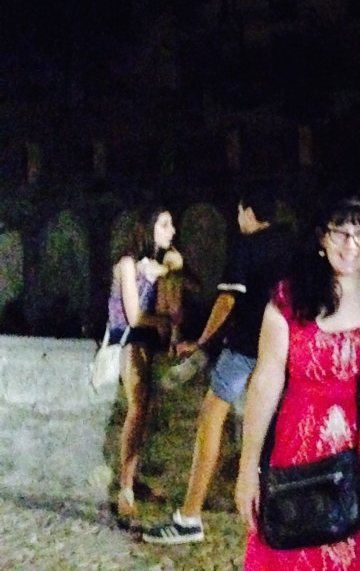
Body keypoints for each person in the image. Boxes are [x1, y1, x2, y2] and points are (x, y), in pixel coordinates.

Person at [235, 191, 360, 571]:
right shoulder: (290, 299)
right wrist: (248, 470)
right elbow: (266, 382)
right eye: (340, 232)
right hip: (302, 450)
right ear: (322, 236)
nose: (350, 244)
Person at [143, 181, 294, 545]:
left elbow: (226, 301)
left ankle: (190, 516)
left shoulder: (246, 246)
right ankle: (280, 514)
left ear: (249, 213)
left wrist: (201, 341)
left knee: (211, 415)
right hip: (285, 350)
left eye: (239, 212)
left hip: (244, 348)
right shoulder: (292, 243)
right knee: (279, 427)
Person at [106, 205, 183, 521]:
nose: (172, 231)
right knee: (136, 410)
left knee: (143, 412)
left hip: (144, 340)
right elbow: (134, 315)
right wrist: (162, 321)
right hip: (127, 339)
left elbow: (174, 295)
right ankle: (125, 488)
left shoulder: (153, 264)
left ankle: (132, 478)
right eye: (164, 224)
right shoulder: (127, 263)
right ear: (147, 227)